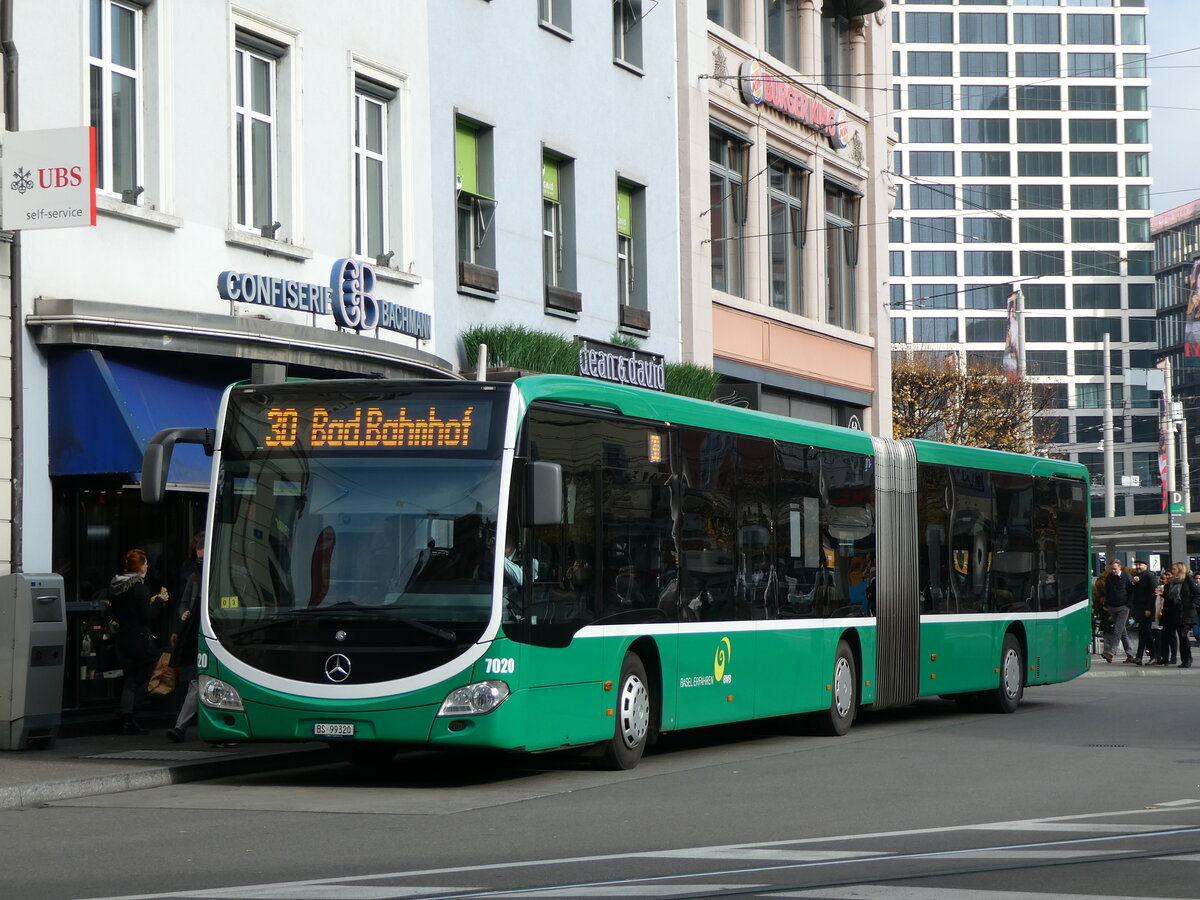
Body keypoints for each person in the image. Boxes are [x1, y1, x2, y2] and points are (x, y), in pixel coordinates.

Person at [108, 548, 168, 735]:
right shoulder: (139, 588)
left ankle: (127, 718)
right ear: (140, 566)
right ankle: (131, 709)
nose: (148, 566)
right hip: (139, 640)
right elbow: (147, 615)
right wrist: (159, 601)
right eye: (146, 563)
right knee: (153, 670)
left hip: (123, 638)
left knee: (130, 679)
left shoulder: (116, 587)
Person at [167, 532, 204, 743]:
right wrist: (182, 617)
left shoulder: (200, 575)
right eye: (199, 560)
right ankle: (180, 727)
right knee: (197, 681)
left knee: (198, 682)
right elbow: (184, 602)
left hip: (210, 631)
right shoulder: (194, 577)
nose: (201, 563)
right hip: (196, 631)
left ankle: (180, 726)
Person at [1161, 562, 1198, 668]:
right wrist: (1163, 594)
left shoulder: (1187, 579)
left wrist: (1193, 604)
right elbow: (1171, 597)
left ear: (1180, 569)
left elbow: (1196, 592)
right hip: (1176, 612)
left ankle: (1188, 658)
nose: (1172, 570)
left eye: (1174, 569)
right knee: (1180, 636)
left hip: (1187, 612)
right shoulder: (1172, 582)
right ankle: (1184, 659)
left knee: (1183, 634)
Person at [1101, 559, 1134, 664]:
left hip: (1123, 606)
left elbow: (1131, 590)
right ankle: (1130, 654)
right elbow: (1107, 591)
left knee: (1117, 630)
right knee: (1122, 631)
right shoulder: (1109, 577)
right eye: (1112, 569)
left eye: (1115, 569)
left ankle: (1110, 652)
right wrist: (1108, 603)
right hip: (1113, 606)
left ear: (1120, 567)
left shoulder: (1126, 576)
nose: (1113, 571)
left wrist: (1128, 605)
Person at [1129, 560, 1157, 666]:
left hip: (1146, 608)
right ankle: (1154, 656)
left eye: (1140, 565)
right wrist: (1133, 583)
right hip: (1139, 608)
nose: (1138, 567)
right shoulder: (1136, 577)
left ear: (1146, 566)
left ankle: (1139, 657)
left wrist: (1148, 608)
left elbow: (1152, 594)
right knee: (1146, 633)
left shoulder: (1150, 576)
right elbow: (1130, 591)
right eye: (1136, 565)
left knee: (1143, 632)